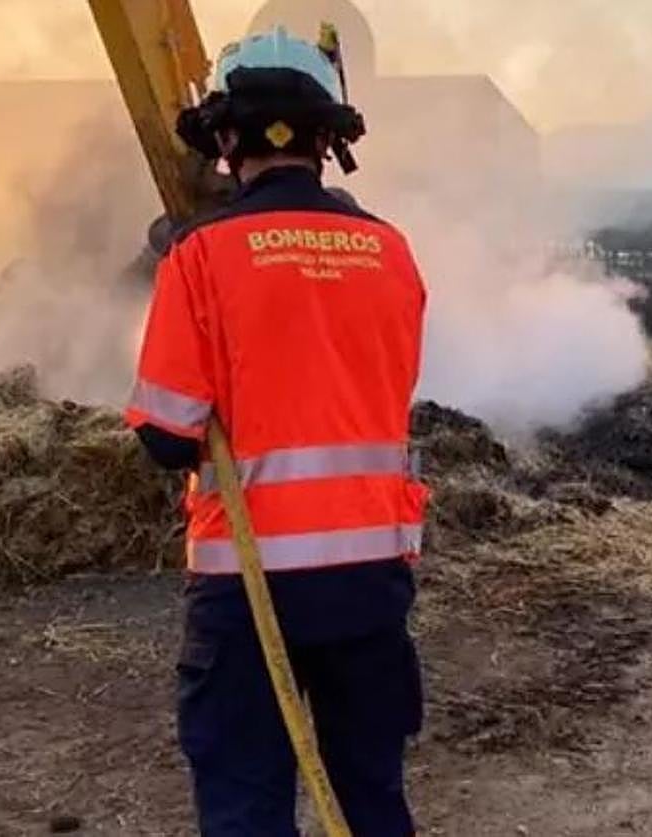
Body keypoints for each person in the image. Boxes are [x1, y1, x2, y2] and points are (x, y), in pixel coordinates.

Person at [125, 26, 427, 836]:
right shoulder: (391, 253)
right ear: (329, 138)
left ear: (225, 137)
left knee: (247, 801)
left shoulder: (200, 258)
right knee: (369, 794)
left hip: (248, 582)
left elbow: (165, 437)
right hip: (370, 576)